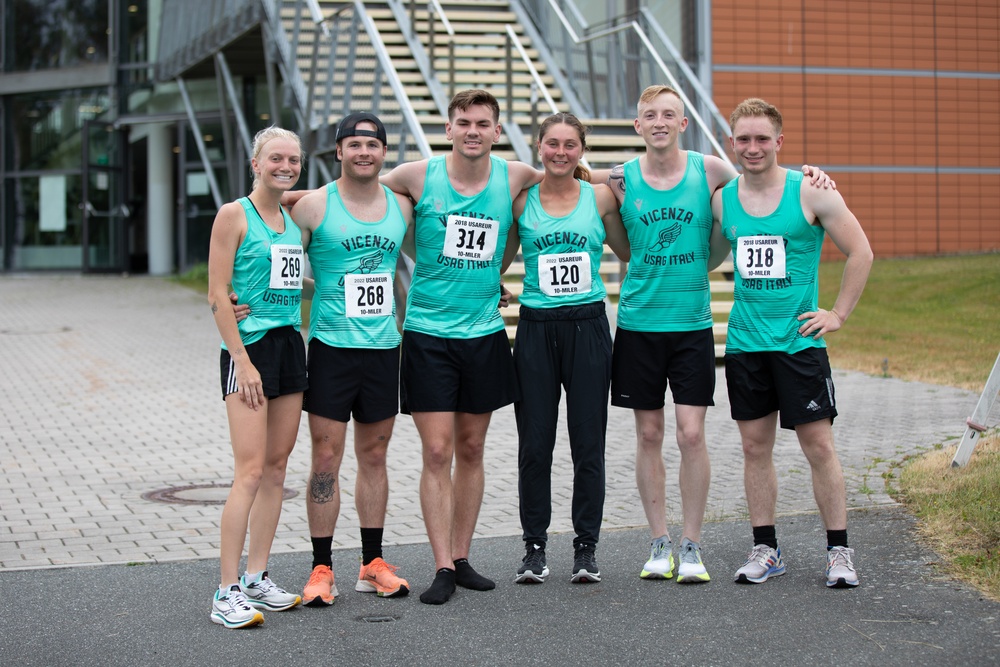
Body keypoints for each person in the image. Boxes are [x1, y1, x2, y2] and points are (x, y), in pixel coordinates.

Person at [589, 85, 831, 584]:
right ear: (637, 126)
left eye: (669, 114)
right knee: (649, 434)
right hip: (637, 324)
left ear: (684, 124)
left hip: (693, 326)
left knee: (692, 433)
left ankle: (692, 543)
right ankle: (659, 542)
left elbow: (763, 168)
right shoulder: (621, 179)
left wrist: (812, 172)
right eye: (649, 115)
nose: (659, 121)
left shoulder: (710, 170)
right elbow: (570, 173)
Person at [380, 89, 542, 605]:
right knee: (436, 450)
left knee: (471, 449)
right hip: (428, 335)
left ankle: (465, 556)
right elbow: (350, 191)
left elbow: (575, 175)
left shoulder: (513, 175)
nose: (473, 130)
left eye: (483, 123)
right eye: (463, 122)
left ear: (498, 131)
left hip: (485, 336)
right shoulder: (414, 176)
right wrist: (280, 198)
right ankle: (442, 565)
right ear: (448, 129)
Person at [712, 97, 873, 588]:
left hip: (799, 343)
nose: (753, 147)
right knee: (753, 447)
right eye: (744, 139)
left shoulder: (811, 192)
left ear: (779, 142)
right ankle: (766, 549)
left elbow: (861, 251)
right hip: (745, 344)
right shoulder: (723, 200)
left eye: (763, 139)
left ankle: (839, 552)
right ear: (732, 142)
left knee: (818, 446)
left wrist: (838, 314)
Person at [289, 113, 414, 605]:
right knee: (325, 459)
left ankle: (372, 563)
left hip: (384, 349)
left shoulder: (400, 206)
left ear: (384, 153)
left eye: (373, 144)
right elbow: (276, 258)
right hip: (330, 350)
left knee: (375, 458)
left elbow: (431, 255)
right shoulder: (315, 205)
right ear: (338, 151)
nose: (364, 152)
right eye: (354, 144)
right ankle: (321, 569)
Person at [503, 113, 629, 584]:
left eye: (570, 145)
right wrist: (493, 286)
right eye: (552, 144)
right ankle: (534, 548)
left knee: (587, 444)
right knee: (534, 445)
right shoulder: (521, 202)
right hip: (536, 329)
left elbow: (630, 251)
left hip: (589, 328)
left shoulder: (599, 198)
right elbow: (499, 258)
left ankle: (586, 549)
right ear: (539, 147)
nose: (560, 152)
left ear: (581, 150)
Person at [206, 126, 306, 629]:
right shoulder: (233, 215)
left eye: (293, 159)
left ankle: (257, 577)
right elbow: (217, 294)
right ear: (255, 162)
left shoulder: (289, 219)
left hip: (290, 344)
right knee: (248, 471)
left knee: (277, 468)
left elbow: (286, 280)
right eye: (275, 158)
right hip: (248, 351)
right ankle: (225, 591)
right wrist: (242, 362)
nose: (285, 166)